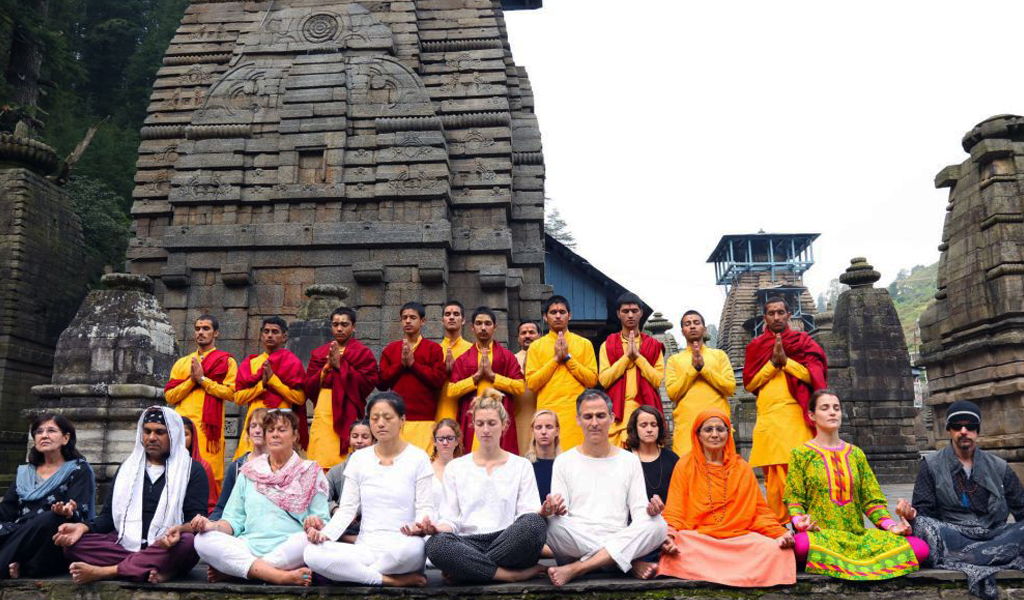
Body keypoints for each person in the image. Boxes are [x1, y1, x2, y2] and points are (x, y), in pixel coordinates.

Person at [57, 407, 208, 584]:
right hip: (125, 544)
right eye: (147, 431)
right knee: (73, 545)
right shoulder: (127, 469)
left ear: (173, 435)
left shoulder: (192, 470)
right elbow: (108, 518)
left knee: (189, 544)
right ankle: (152, 567)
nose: (151, 437)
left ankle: (109, 571)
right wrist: (82, 528)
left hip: (167, 545)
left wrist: (180, 530)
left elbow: (195, 520)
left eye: (160, 432)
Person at [786, 390, 926, 581]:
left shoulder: (856, 454)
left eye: (836, 408)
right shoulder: (801, 454)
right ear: (812, 415)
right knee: (801, 545)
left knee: (920, 548)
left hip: (857, 536)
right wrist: (798, 522)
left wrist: (892, 526)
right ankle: (865, 566)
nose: (832, 412)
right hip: (822, 536)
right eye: (825, 408)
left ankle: (845, 564)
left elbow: (872, 502)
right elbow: (794, 499)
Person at [896, 400, 1024, 600]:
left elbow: (1021, 508)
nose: (964, 431)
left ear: (977, 431)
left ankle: (979, 555)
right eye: (957, 426)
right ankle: (990, 556)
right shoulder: (931, 465)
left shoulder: (999, 466)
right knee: (923, 525)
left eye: (970, 426)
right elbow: (924, 512)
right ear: (949, 430)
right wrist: (911, 514)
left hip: (993, 535)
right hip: (952, 534)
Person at [303, 392, 434, 587]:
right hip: (365, 548)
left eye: (387, 417)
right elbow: (347, 509)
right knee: (311, 553)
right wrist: (326, 534)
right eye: (375, 418)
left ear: (402, 420)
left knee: (414, 550)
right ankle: (388, 580)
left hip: (402, 546)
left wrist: (420, 526)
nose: (381, 423)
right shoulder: (359, 459)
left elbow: (425, 507)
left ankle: (358, 575)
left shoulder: (418, 457)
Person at [657, 408, 796, 587]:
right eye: (708, 430)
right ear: (697, 435)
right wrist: (670, 536)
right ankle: (739, 574)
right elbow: (675, 510)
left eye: (720, 429)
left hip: (739, 539)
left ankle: (713, 572)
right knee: (678, 546)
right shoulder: (685, 465)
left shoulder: (742, 468)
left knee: (776, 550)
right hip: (700, 539)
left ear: (728, 434)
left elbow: (758, 512)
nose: (715, 434)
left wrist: (779, 534)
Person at [419, 393, 548, 583]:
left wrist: (543, 512)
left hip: (508, 540)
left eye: (491, 423)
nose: (486, 429)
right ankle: (508, 575)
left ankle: (468, 571)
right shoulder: (456, 467)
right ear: (473, 426)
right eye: (480, 424)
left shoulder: (521, 465)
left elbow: (526, 514)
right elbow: (451, 520)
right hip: (469, 542)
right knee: (436, 545)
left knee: (535, 523)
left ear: (504, 425)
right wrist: (436, 528)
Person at [543, 389, 667, 586]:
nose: (594, 423)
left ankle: (579, 568)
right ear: (578, 419)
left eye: (600, 416)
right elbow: (561, 516)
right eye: (588, 416)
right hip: (578, 537)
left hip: (617, 534)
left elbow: (639, 513)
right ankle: (625, 563)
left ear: (611, 418)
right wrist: (552, 509)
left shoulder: (629, 460)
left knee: (658, 525)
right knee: (549, 524)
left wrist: (650, 511)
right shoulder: (564, 461)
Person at [192, 409, 327, 586]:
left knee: (308, 542)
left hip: (290, 548)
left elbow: (324, 521)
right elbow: (233, 520)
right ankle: (277, 575)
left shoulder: (310, 471)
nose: (275, 435)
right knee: (202, 540)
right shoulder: (249, 471)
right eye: (270, 430)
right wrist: (211, 525)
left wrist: (314, 523)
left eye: (281, 430)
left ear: (295, 435)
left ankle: (241, 572)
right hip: (248, 547)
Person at [743, 296, 827, 524]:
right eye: (772, 313)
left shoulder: (802, 342)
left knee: (804, 473)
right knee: (775, 481)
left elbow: (815, 376)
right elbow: (750, 384)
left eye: (781, 312)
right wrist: (773, 364)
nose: (777, 317)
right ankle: (780, 527)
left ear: (789, 315)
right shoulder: (756, 347)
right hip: (770, 420)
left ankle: (809, 526)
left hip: (797, 419)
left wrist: (786, 362)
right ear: (765, 318)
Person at [1, 414, 95, 580]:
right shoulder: (24, 474)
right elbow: (6, 512)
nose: (44, 435)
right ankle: (18, 565)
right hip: (19, 533)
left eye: (51, 431)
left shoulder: (79, 470)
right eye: (39, 432)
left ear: (65, 438)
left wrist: (68, 512)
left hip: (50, 537)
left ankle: (12, 565)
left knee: (52, 519)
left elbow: (82, 512)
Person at [164, 314, 238, 483]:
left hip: (208, 430)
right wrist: (192, 381)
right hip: (183, 426)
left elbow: (232, 394)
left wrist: (203, 381)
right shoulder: (183, 363)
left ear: (216, 333)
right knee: (177, 471)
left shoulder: (226, 361)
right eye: (197, 329)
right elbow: (170, 396)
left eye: (206, 328)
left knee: (209, 473)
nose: (200, 332)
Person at [305, 307, 379, 470]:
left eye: (344, 324)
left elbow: (368, 382)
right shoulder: (319, 353)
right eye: (335, 324)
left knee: (348, 462)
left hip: (348, 409)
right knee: (320, 459)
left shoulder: (362, 353)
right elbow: (308, 384)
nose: (339, 328)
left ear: (353, 327)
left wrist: (341, 366)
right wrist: (325, 370)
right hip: (324, 409)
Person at [525, 296, 598, 451]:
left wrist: (568, 359)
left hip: (575, 414)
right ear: (545, 317)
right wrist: (556, 360)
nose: (558, 316)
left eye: (562, 312)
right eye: (553, 312)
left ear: (569, 315)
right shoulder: (536, 347)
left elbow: (592, 380)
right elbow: (532, 383)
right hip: (548, 414)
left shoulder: (584, 344)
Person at [447, 307, 525, 452]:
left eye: (488, 323)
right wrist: (475, 378)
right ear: (472, 327)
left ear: (495, 327)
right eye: (479, 323)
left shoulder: (506, 356)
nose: (483, 328)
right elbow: (451, 390)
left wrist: (493, 376)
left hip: (500, 417)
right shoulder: (464, 358)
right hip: (473, 418)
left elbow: (520, 387)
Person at [665, 310, 736, 457]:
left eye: (696, 323)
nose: (692, 327)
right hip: (687, 426)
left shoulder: (719, 355)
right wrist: (693, 369)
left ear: (703, 328)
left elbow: (729, 387)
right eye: (687, 324)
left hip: (717, 426)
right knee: (688, 473)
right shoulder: (674, 360)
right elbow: (672, 393)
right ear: (683, 331)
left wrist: (704, 369)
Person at [377, 302, 447, 452]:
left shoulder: (433, 349)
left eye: (413, 317)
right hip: (396, 418)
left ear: (422, 321)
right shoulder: (391, 349)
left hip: (424, 418)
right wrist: (401, 365)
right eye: (404, 317)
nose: (408, 321)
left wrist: (413, 365)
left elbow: (439, 380)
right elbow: (381, 382)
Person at [598, 293, 665, 447]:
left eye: (634, 311)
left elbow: (657, 380)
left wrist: (638, 358)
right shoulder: (607, 345)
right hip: (618, 414)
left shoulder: (653, 345)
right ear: (618, 314)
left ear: (641, 313)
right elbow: (604, 380)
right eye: (625, 311)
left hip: (646, 411)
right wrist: (627, 357)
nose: (630, 315)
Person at [234, 317, 307, 458]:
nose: (270, 335)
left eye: (275, 332)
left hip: (280, 423)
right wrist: (261, 385)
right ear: (261, 335)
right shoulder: (251, 363)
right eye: (266, 331)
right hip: (254, 423)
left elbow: (300, 398)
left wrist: (273, 381)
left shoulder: (292, 362)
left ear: (284, 337)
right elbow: (238, 398)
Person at [211, 407, 268, 521]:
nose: (257, 430)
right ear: (248, 432)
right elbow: (222, 507)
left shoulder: (280, 465)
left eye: (262, 426)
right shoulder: (237, 466)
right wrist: (210, 523)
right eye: (253, 426)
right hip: (237, 525)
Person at [326, 419, 374, 518]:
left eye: (365, 437)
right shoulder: (336, 472)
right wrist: (335, 509)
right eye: (355, 436)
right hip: (344, 525)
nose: (359, 441)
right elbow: (321, 499)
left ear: (374, 440)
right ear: (349, 439)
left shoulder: (382, 469)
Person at [435, 300, 474, 422]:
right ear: (442, 321)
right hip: (441, 405)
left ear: (463, 320)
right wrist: (444, 372)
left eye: (456, 314)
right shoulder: (435, 350)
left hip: (467, 405)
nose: (451, 317)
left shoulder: (472, 349)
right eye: (447, 314)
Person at [181, 416, 219, 515]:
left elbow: (211, 504)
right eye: (177, 434)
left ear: (193, 437)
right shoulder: (161, 464)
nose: (181, 439)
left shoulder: (203, 466)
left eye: (185, 434)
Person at [429, 418, 464, 521]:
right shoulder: (425, 470)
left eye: (449, 438)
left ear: (457, 441)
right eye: (441, 439)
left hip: (457, 530)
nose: (445, 442)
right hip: (428, 529)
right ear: (434, 442)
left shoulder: (464, 470)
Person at [514, 321, 540, 453]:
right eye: (523, 333)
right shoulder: (512, 359)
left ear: (539, 336)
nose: (527, 336)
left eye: (531, 332)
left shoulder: (548, 357)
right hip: (521, 413)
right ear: (518, 338)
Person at [525, 410, 560, 502]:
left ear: (557, 431)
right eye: (538, 427)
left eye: (549, 427)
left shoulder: (565, 465)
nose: (543, 432)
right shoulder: (524, 466)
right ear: (532, 431)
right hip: (533, 514)